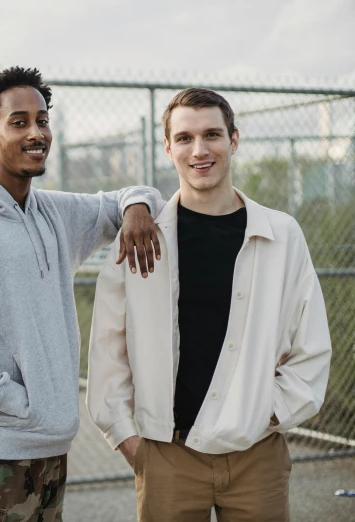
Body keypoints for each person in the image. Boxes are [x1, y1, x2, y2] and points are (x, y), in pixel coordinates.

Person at [0, 66, 163, 521]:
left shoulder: (53, 212)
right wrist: (17, 404)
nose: (36, 133)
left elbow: (127, 195)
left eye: (42, 120)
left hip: (49, 447)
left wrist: (138, 209)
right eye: (19, 122)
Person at [86, 87, 333, 521]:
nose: (199, 150)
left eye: (212, 135)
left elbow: (310, 344)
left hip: (256, 453)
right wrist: (129, 440)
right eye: (184, 138)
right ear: (168, 148)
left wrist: (266, 413)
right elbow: (109, 350)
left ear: (234, 140)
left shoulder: (282, 234)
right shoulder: (142, 238)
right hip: (167, 454)